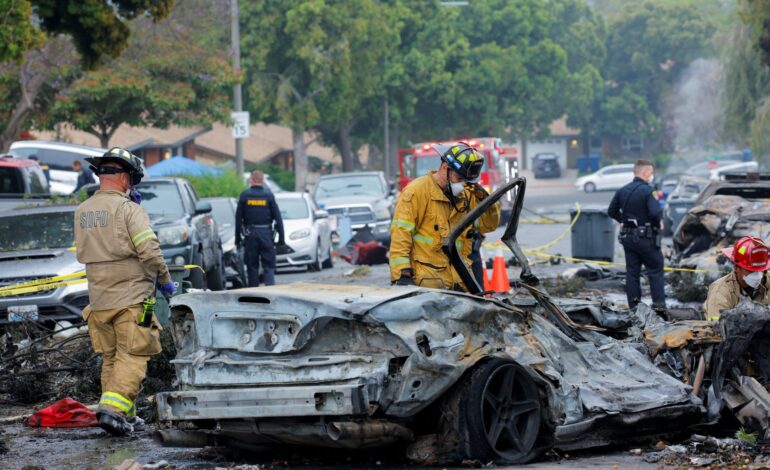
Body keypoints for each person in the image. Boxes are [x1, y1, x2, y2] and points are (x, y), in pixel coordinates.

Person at [74, 147, 174, 436]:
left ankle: (123, 413)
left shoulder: (82, 211)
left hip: (99, 301)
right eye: (131, 178)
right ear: (124, 177)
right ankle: (113, 410)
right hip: (133, 300)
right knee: (133, 354)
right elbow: (150, 251)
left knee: (112, 357)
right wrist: (165, 281)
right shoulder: (129, 210)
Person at [389, 142, 500, 290]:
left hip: (460, 282)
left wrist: (486, 200)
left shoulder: (466, 195)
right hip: (428, 285)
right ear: (445, 168)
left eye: (466, 180)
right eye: (459, 178)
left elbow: (488, 225)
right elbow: (400, 236)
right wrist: (403, 275)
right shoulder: (416, 192)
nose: (462, 184)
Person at [608, 159, 665, 311]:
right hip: (646, 239)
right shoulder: (649, 191)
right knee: (655, 271)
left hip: (628, 239)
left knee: (632, 273)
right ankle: (659, 309)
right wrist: (658, 224)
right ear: (645, 172)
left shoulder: (622, 191)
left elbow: (611, 211)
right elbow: (655, 213)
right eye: (651, 173)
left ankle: (634, 309)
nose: (651, 176)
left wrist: (623, 221)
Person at [235, 170, 284, 287]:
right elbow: (278, 218)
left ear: (251, 180)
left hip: (250, 235)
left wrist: (238, 239)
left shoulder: (245, 195)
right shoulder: (269, 196)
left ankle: (254, 291)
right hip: (266, 234)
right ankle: (270, 289)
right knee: (269, 265)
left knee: (252, 266)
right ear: (262, 181)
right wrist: (281, 238)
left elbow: (238, 219)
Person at [704, 236, 770, 321]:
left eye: (761, 270)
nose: (758, 275)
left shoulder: (767, 280)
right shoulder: (720, 293)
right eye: (751, 271)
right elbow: (717, 326)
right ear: (736, 268)